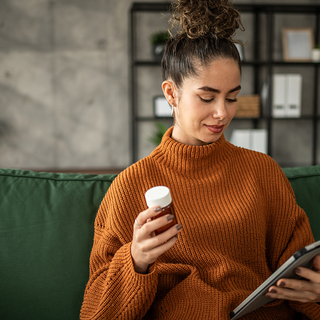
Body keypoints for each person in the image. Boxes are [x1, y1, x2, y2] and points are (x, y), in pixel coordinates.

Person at [80, 0, 320, 319]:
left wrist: (315, 289)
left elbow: (299, 269)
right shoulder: (131, 185)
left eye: (232, 97)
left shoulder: (262, 171)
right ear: (171, 94)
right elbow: (97, 312)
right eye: (207, 97)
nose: (222, 112)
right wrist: (136, 260)